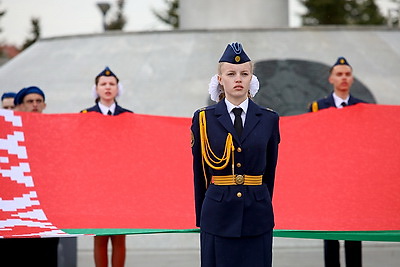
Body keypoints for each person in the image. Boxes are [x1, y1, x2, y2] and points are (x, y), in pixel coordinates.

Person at [191, 42, 280, 267]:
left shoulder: (269, 119)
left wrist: (263, 202)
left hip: (257, 214)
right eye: (231, 73)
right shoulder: (204, 119)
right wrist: (202, 216)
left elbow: (270, 170)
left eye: (244, 73)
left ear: (252, 79)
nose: (238, 79)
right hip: (217, 214)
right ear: (220, 79)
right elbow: (200, 172)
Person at [309, 57, 365, 267]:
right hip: (329, 180)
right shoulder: (317, 107)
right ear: (331, 78)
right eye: (339, 74)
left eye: (347, 74)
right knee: (330, 234)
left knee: (354, 233)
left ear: (352, 79)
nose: (343, 78)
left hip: (354, 179)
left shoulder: (363, 107)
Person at [0, 86, 59, 266]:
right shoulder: (8, 135)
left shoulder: (54, 132)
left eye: (38, 101)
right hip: (16, 209)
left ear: (44, 105)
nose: (34, 105)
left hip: (47, 210)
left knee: (46, 256)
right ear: (20, 106)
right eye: (30, 101)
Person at [81, 66, 132, 267]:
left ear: (118, 88)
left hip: (121, 185)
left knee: (120, 236)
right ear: (96, 89)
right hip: (97, 186)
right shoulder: (85, 116)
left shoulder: (128, 116)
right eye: (103, 84)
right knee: (100, 237)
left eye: (112, 84)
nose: (108, 87)